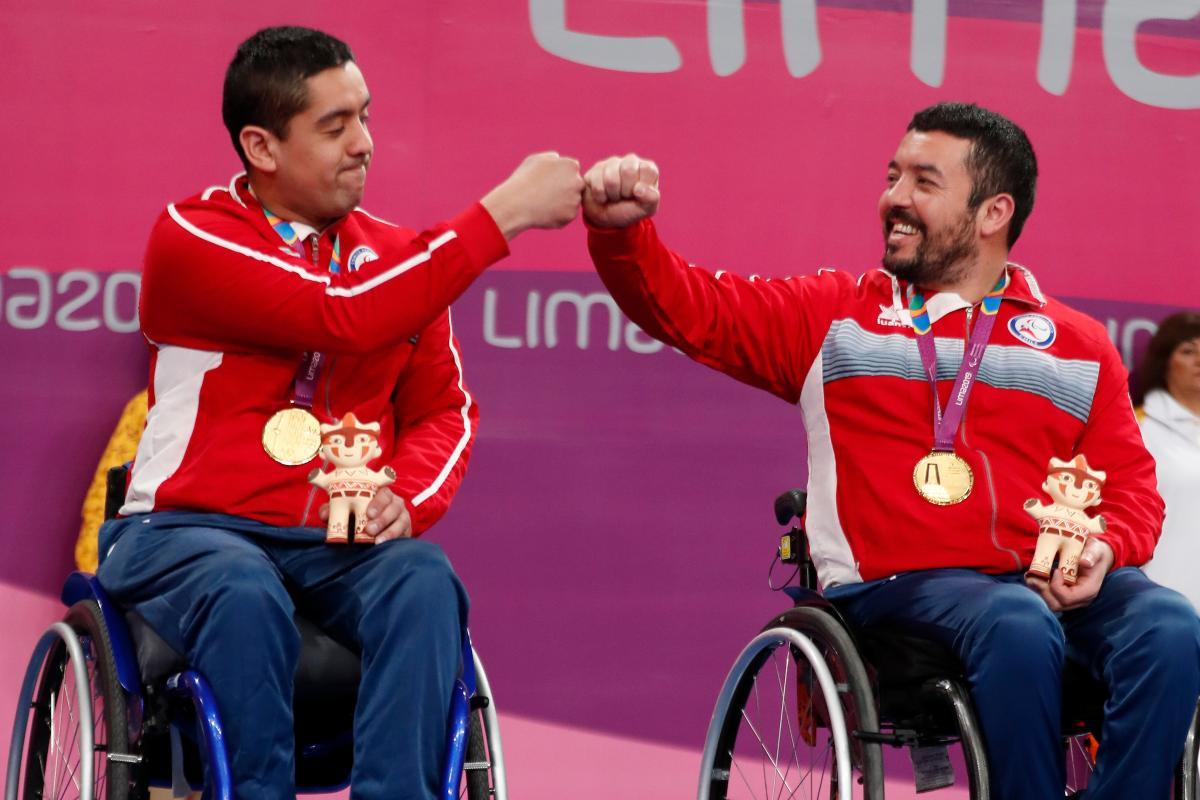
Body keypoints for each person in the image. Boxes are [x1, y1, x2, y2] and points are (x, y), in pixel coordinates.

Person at [583, 103, 1200, 799]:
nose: (894, 200)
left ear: (993, 212)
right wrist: (621, 234)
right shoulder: (833, 318)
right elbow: (687, 308)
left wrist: (1103, 552)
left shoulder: (1078, 346)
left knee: (1170, 626)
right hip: (900, 595)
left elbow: (1131, 495)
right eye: (892, 176)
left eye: (924, 183)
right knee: (1016, 622)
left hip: (1045, 590)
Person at [96, 25, 583, 800]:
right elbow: (341, 314)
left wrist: (406, 496)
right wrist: (504, 214)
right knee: (241, 586)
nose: (364, 143)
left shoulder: (398, 263)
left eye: (365, 116)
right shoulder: (193, 235)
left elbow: (444, 412)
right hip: (186, 531)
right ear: (261, 147)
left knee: (424, 577)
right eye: (335, 126)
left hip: (335, 539)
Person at [1136, 311, 1200, 611]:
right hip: (1158, 605)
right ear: (1165, 362)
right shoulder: (1136, 427)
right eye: (1188, 351)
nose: (1199, 360)